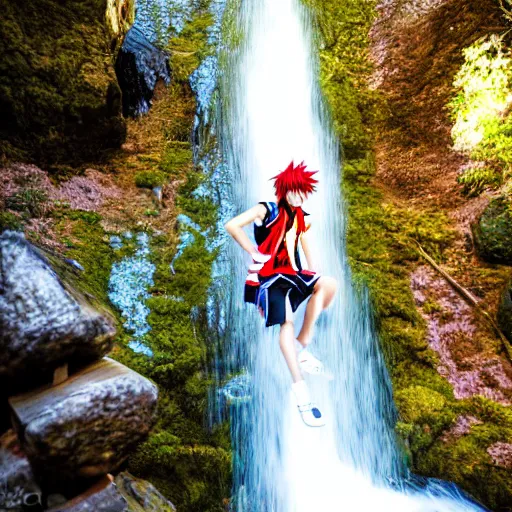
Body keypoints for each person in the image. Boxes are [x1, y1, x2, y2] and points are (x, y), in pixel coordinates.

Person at [224, 161, 338, 427]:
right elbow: (232, 225)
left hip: (291, 273)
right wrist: (252, 251)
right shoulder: (266, 210)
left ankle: (303, 344)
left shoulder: (300, 218)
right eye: (295, 191)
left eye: (303, 192)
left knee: (329, 284)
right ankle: (301, 393)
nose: (299, 196)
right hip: (268, 278)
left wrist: (315, 276)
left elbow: (307, 250)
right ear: (285, 189)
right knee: (285, 323)